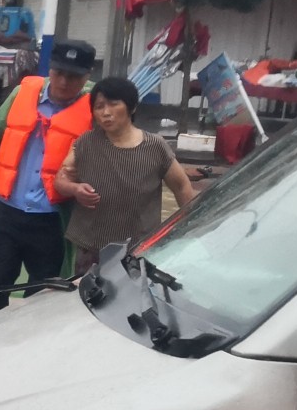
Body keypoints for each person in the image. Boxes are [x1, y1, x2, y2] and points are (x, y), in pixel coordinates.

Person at [0, 39, 96, 318]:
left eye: (74, 76)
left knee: (43, 295)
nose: (64, 81)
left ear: (87, 76)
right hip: (7, 214)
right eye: (59, 73)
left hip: (54, 220)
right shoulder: (22, 94)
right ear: (49, 69)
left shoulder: (97, 108)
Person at [54, 75, 200, 273]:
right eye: (99, 106)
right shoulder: (85, 143)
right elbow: (61, 179)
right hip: (91, 247)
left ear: (132, 108)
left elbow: (181, 186)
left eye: (114, 104)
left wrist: (191, 227)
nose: (106, 113)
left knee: (136, 300)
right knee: (89, 300)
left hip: (139, 248)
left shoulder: (155, 146)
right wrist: (75, 189)